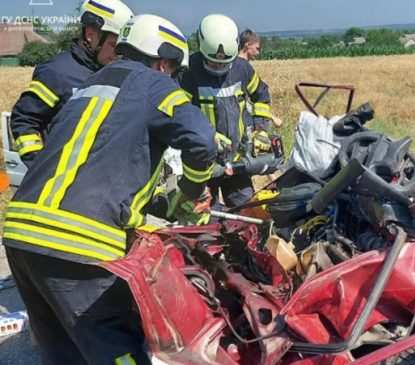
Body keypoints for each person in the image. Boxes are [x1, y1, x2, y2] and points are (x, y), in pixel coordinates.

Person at [3, 14, 217, 364]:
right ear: (163, 62)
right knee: (116, 345)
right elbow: (202, 141)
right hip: (75, 245)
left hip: (20, 235)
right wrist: (191, 193)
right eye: (175, 70)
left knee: (62, 352)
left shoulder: (91, 84)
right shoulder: (155, 84)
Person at [10, 0, 133, 167]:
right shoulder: (57, 72)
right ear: (91, 34)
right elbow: (24, 120)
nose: (118, 55)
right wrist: (39, 168)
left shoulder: (114, 73)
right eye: (114, 45)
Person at [181, 14, 275, 208]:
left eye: (224, 64)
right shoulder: (189, 72)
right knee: (206, 219)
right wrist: (207, 135)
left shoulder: (243, 69)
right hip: (204, 164)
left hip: (238, 160)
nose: (218, 67)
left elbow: (261, 95)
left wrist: (261, 131)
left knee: (246, 215)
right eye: (213, 63)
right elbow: (181, 114)